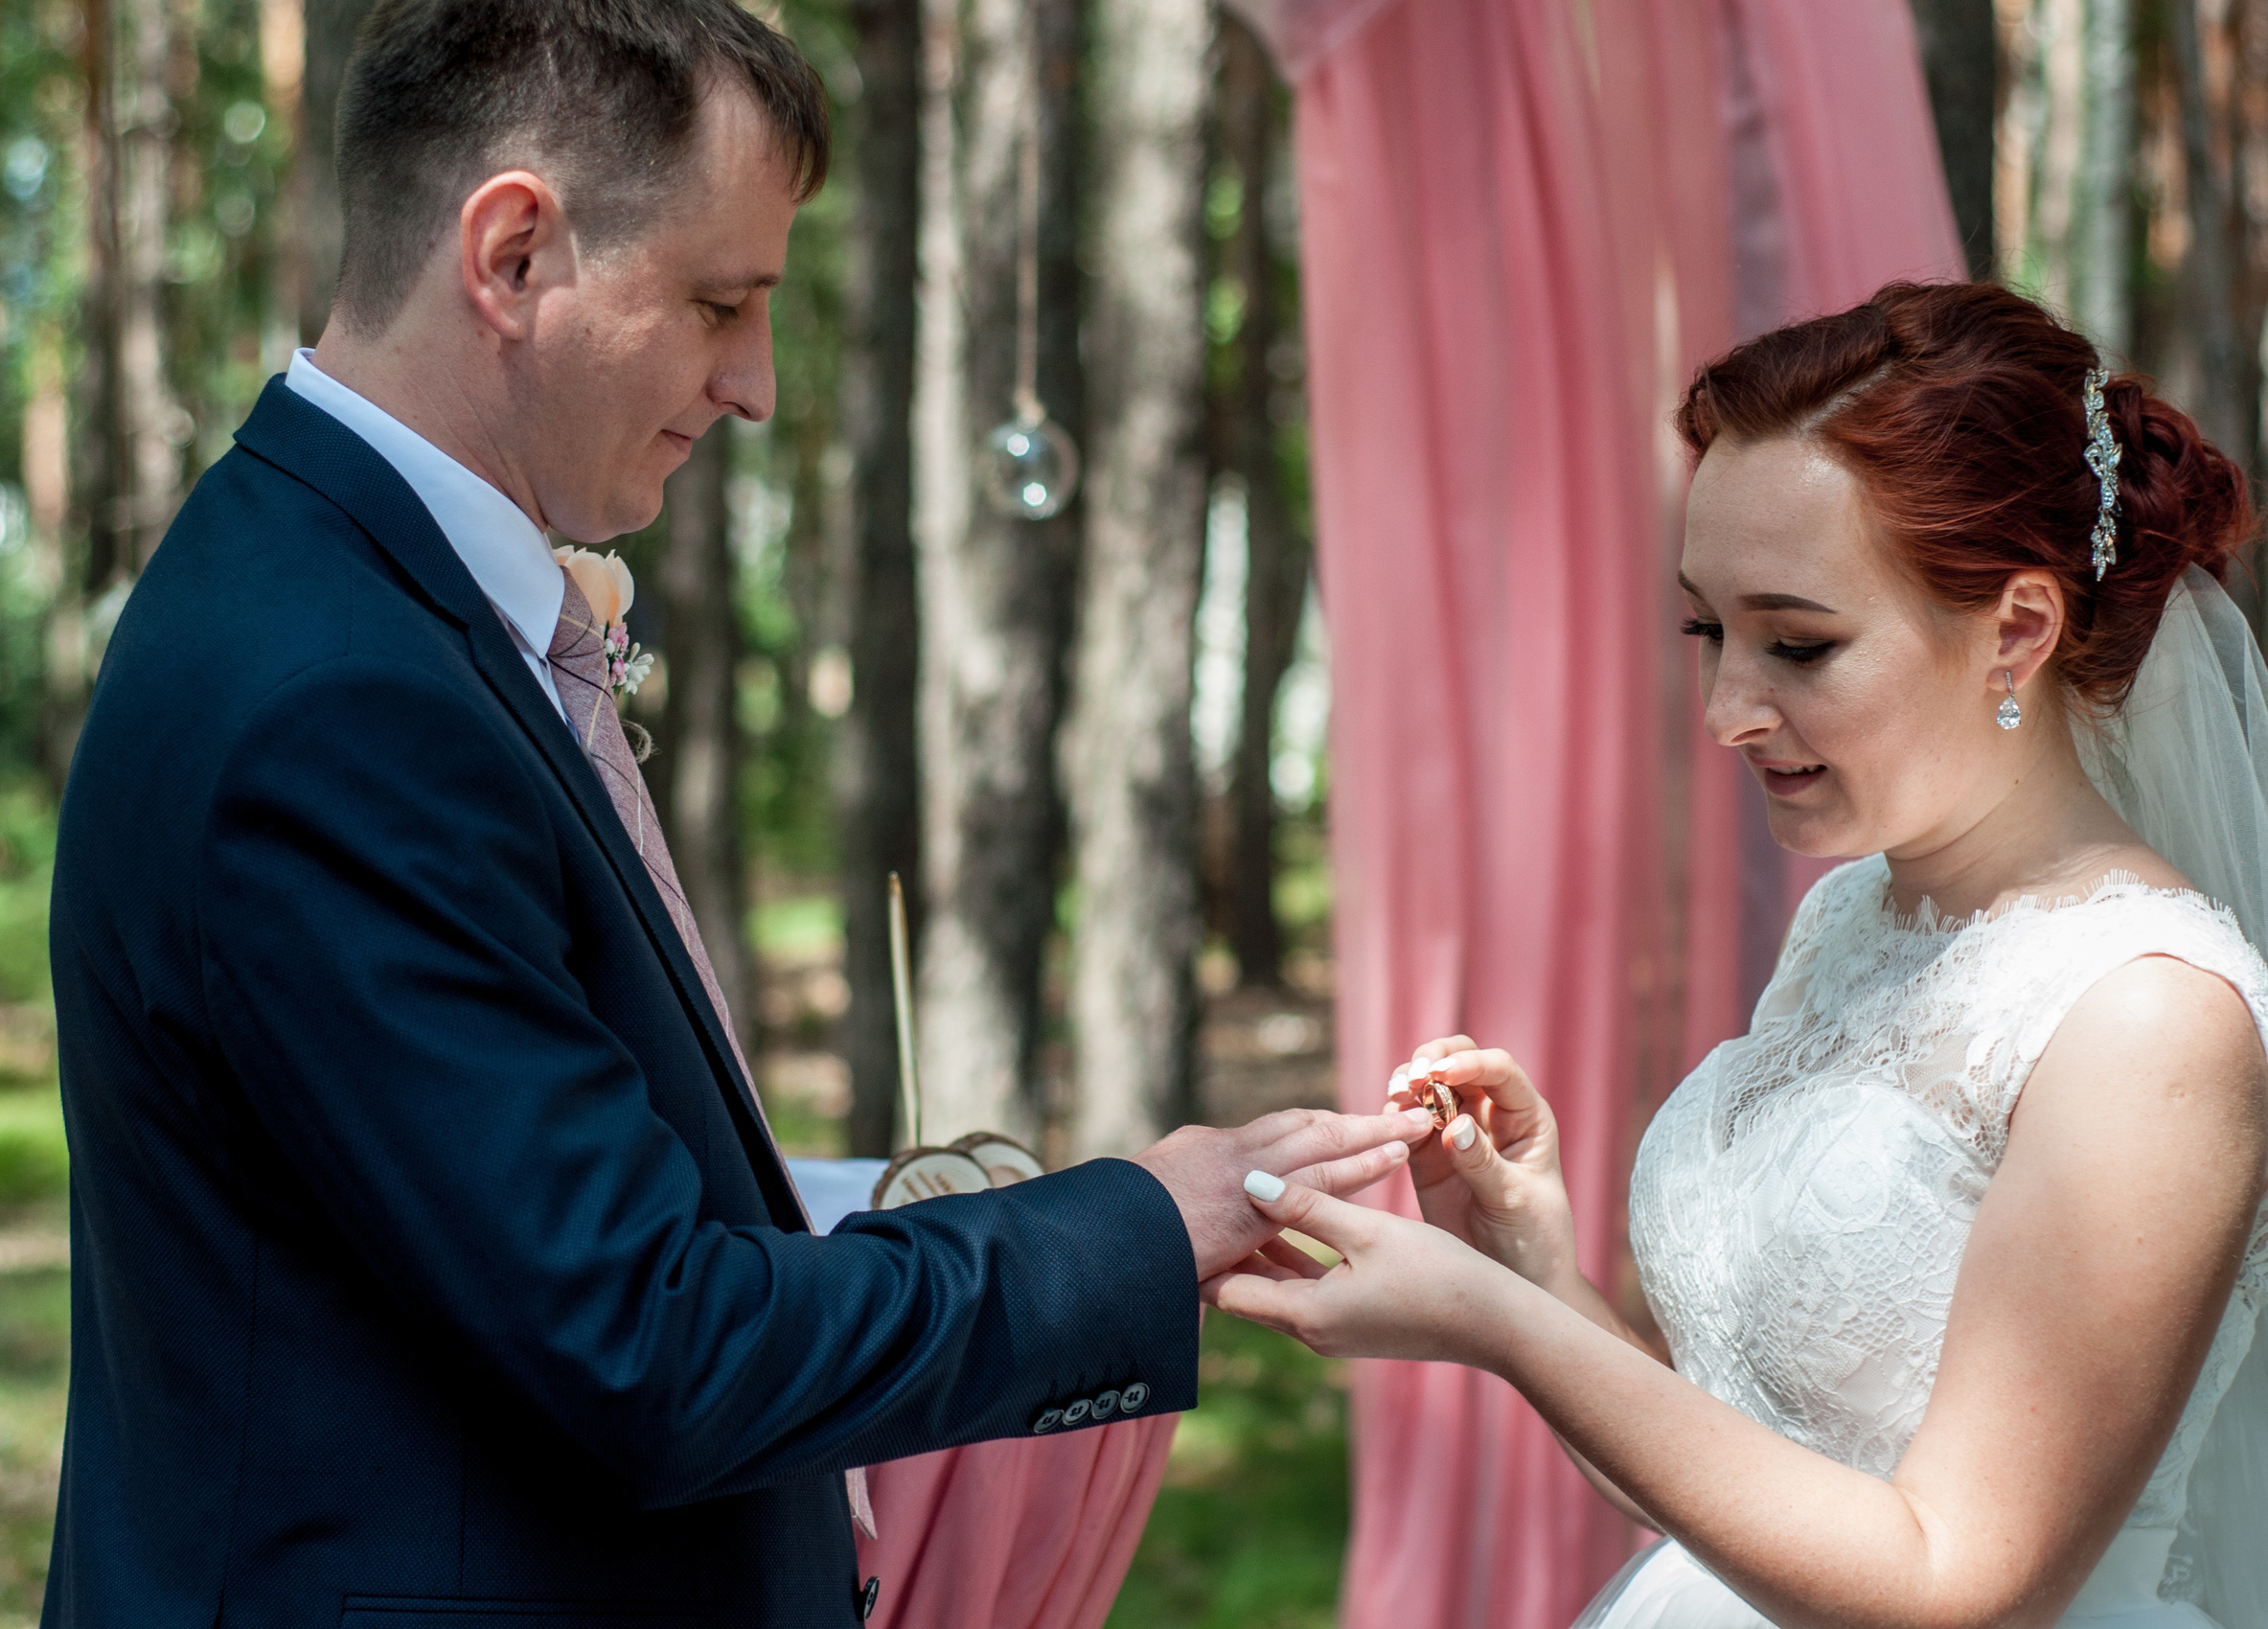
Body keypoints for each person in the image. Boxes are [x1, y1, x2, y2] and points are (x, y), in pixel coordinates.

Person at [41, 3, 1432, 1625]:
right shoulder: (333, 697)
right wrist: (1135, 1230)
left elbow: (476, 1207)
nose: (757, 385)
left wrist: (840, 1210)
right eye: (720, 303)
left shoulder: (346, 597)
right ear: (512, 253)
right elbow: (646, 1345)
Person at [1210, 282, 2268, 1628]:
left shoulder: (2145, 1025)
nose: (1731, 709)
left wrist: (1498, 1330)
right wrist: (1532, 1264)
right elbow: (1757, 1483)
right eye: (1708, 630)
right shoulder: (1856, 915)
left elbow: (1953, 1583)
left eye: (1798, 643)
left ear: (2017, 632)